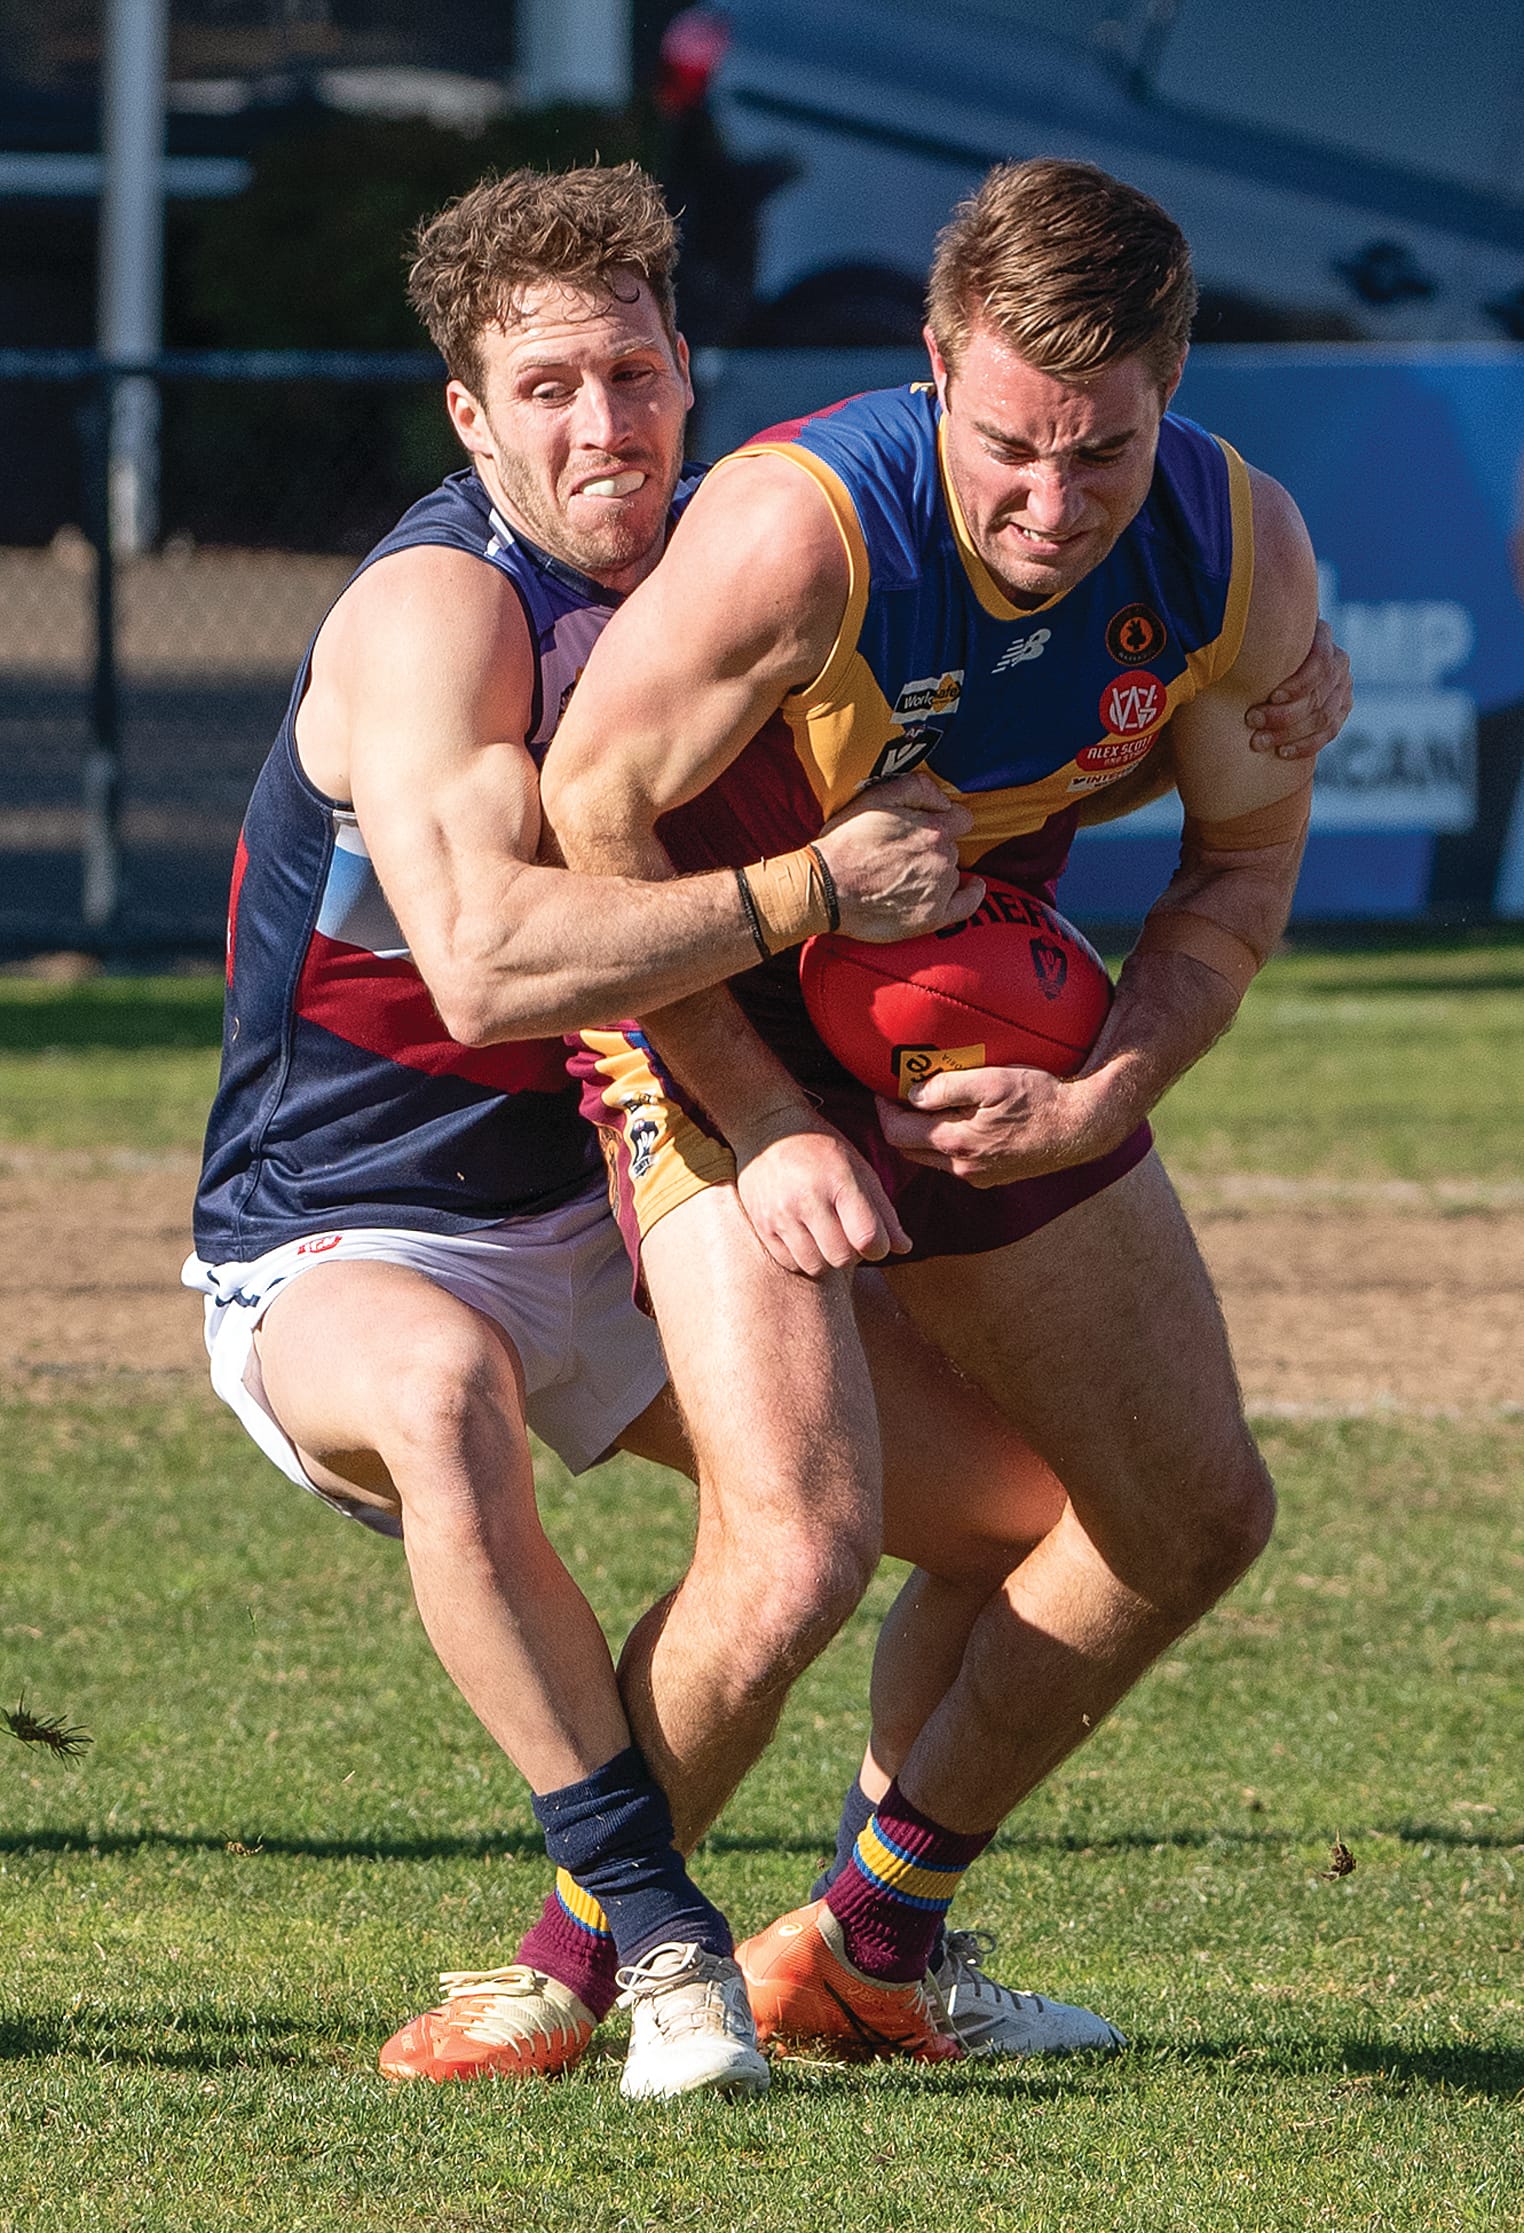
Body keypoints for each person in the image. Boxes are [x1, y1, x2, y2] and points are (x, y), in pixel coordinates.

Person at [181, 162, 992, 2103]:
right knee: (451, 1395)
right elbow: (477, 964)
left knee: (1022, 1523)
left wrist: (1258, 681)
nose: (600, 424)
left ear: (688, 374)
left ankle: (866, 1939)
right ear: (469, 416)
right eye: (545, 386)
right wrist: (813, 890)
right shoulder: (434, 611)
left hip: (605, 1200)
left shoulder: (721, 574)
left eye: (629, 372)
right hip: (344, 1235)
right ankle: (658, 1934)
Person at [539, 156, 1342, 2062]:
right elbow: (587, 811)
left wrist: (1110, 1091)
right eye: (1006, 447)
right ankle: (572, 1968)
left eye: (1105, 455)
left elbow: (1236, 875)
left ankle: (870, 1939)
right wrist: (764, 1106)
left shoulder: (1234, 546)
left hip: (958, 1017)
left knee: (1187, 1513)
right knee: (796, 1546)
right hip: (705, 1008)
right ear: (933, 363)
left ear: (1174, 392)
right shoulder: (794, 532)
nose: (1048, 505)